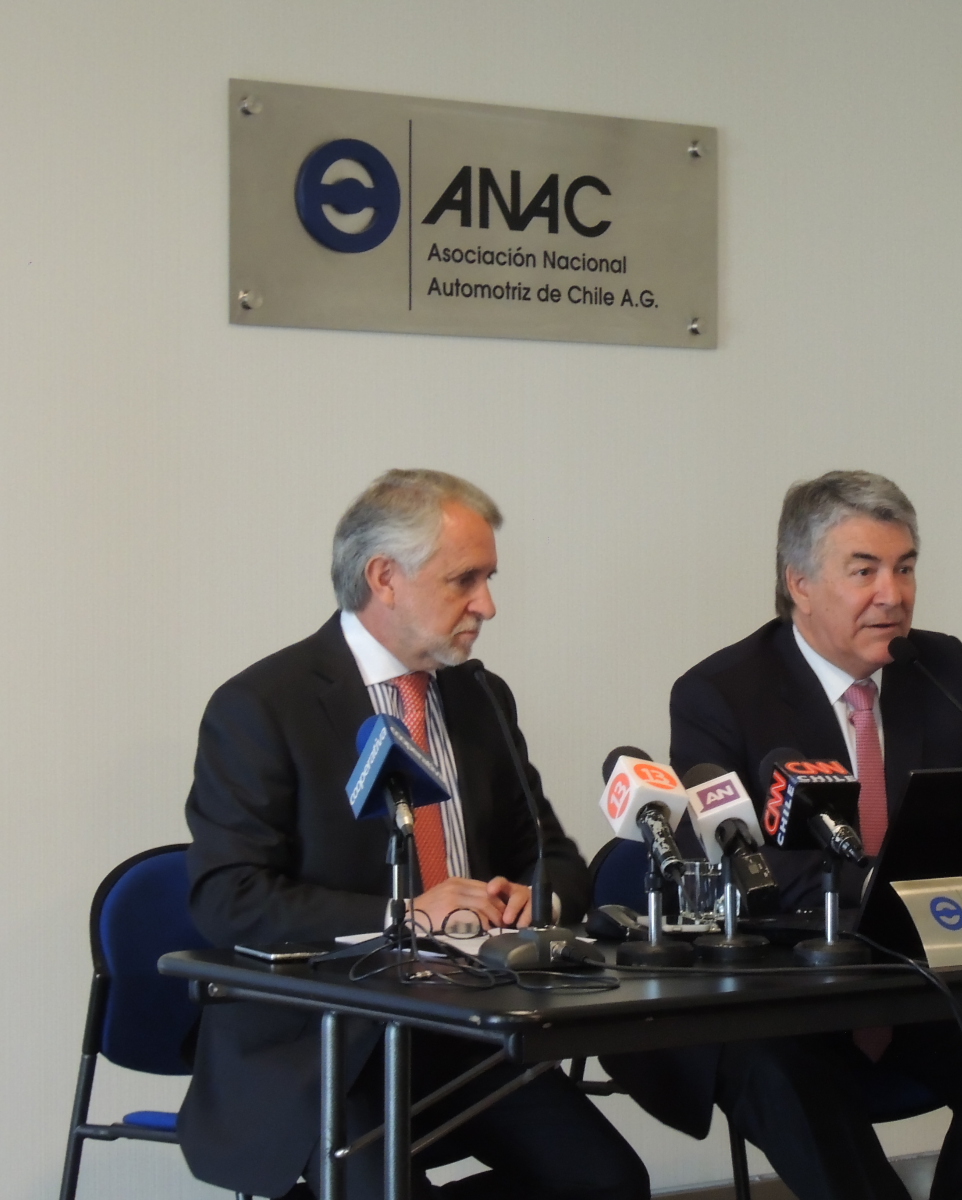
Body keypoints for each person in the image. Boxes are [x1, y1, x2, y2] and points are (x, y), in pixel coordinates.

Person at [606, 471, 962, 1200]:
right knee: (772, 1069)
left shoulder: (939, 666)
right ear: (799, 583)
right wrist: (875, 880)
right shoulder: (720, 693)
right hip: (787, 993)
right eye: (864, 571)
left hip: (919, 980)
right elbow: (737, 864)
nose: (893, 594)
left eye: (905, 568)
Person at [179, 469, 650, 1200]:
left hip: (468, 1025)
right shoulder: (265, 706)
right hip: (329, 1041)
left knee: (608, 1182)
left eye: (489, 579)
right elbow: (227, 897)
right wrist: (404, 917)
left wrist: (537, 898)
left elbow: (550, 852)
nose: (487, 605)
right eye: (464, 580)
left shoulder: (479, 695)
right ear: (384, 578)